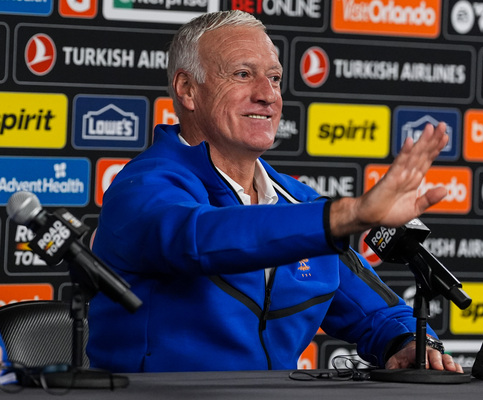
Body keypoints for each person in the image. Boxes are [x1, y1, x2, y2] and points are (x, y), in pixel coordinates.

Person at [87, 10, 463, 374]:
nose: (267, 95)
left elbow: (378, 311)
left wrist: (408, 343)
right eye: (243, 74)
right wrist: (347, 215)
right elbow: (201, 238)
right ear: (187, 89)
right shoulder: (140, 190)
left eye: (274, 78)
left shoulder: (300, 204)